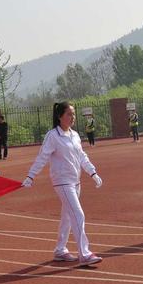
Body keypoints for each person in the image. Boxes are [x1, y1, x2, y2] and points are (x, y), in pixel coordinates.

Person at [22, 102, 103, 266]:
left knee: (67, 216)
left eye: (73, 114)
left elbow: (82, 156)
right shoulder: (52, 136)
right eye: (68, 114)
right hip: (62, 182)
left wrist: (92, 172)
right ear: (59, 117)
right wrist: (31, 176)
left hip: (75, 181)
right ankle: (85, 254)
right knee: (78, 215)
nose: (72, 117)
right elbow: (42, 157)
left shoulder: (75, 135)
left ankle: (60, 250)